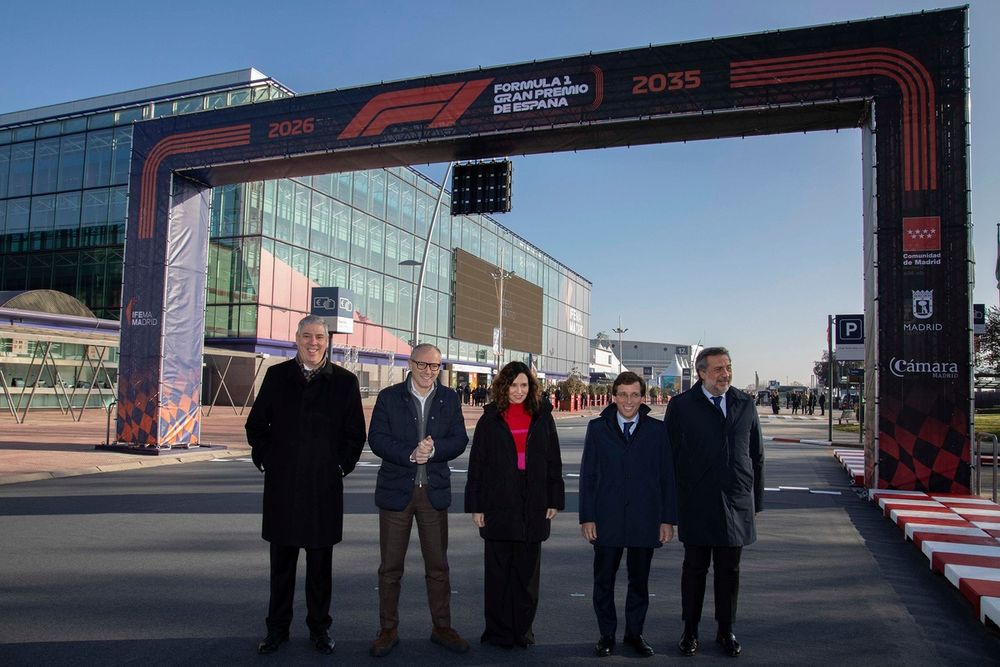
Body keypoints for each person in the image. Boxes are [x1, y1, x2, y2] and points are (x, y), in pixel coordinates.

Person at [245, 315, 367, 656]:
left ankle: (319, 629)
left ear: (328, 342)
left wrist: (340, 466)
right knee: (281, 568)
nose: (313, 342)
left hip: (322, 490)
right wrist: (267, 459)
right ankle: (277, 629)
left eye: (320, 337)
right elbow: (256, 426)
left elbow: (355, 434)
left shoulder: (344, 382)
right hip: (283, 489)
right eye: (307, 336)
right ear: (296, 339)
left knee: (319, 570)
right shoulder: (276, 376)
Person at [367, 343, 471, 657]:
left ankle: (442, 627)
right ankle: (387, 629)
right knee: (390, 568)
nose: (429, 372)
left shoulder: (449, 399)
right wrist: (410, 453)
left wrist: (435, 450)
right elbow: (377, 439)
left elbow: (460, 439)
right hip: (397, 491)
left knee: (438, 566)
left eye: (435, 366)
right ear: (410, 364)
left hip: (433, 493)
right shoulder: (389, 397)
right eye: (423, 365)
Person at [665, 347, 764, 658]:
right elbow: (668, 457)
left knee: (729, 571)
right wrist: (669, 506)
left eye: (728, 367)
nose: (726, 374)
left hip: (736, 502)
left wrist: (755, 501)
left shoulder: (744, 402)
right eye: (719, 369)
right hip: (696, 502)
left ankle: (725, 630)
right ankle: (690, 631)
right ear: (702, 373)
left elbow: (756, 454)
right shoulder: (682, 406)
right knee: (694, 569)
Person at [465, 361, 564, 649]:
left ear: (531, 387)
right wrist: (477, 506)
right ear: (503, 387)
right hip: (498, 500)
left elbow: (553, 460)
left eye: (524, 385)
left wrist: (554, 499)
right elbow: (478, 465)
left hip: (534, 500)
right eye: (513, 385)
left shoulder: (543, 416)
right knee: (497, 574)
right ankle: (497, 632)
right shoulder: (490, 418)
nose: (518, 391)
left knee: (527, 575)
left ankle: (522, 631)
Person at [579, 371, 677, 658]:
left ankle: (635, 634)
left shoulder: (657, 431)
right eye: (622, 394)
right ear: (613, 397)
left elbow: (666, 478)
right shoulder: (597, 429)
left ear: (643, 397)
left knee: (639, 582)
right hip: (606, 519)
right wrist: (587, 517)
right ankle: (606, 635)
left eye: (634, 394)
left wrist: (667, 519)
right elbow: (588, 476)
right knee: (604, 581)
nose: (628, 401)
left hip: (644, 520)